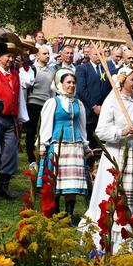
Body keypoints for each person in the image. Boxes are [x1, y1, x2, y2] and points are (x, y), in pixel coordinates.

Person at [81, 66, 133, 252]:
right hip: (119, 157)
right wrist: (122, 132)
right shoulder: (113, 101)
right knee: (119, 201)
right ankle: (116, 245)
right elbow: (100, 132)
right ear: (123, 81)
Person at [37, 69, 91, 221]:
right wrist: (43, 145)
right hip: (58, 146)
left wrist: (86, 146)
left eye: (74, 83)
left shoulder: (78, 104)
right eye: (68, 82)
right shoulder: (53, 102)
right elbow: (46, 125)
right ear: (60, 84)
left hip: (75, 147)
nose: (72, 85)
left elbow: (82, 127)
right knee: (57, 181)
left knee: (71, 182)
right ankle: (55, 214)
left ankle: (68, 215)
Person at [0, 42, 25, 200]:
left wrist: (21, 117)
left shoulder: (16, 74)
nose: (11, 59)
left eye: (12, 56)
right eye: (8, 56)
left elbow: (20, 97)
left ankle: (3, 187)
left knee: (10, 151)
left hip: (11, 118)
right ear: (0, 56)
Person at [75, 45, 114, 149]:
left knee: (100, 142)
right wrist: (93, 106)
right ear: (90, 55)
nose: (99, 57)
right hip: (88, 111)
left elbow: (109, 89)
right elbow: (81, 89)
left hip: (102, 112)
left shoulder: (106, 70)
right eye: (96, 54)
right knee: (88, 140)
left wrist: (103, 107)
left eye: (101, 54)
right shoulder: (82, 69)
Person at [20, 45, 54, 164]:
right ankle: (31, 159)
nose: (47, 56)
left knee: (43, 132)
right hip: (33, 103)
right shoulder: (32, 69)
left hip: (46, 105)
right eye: (44, 53)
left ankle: (42, 157)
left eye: (48, 54)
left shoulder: (51, 72)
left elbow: (52, 90)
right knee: (31, 132)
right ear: (38, 55)